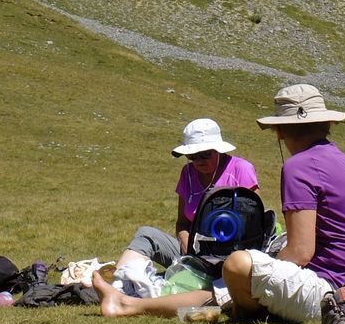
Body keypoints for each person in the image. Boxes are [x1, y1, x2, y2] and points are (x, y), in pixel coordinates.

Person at [93, 84, 345, 324]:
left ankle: (130, 303)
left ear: (280, 131)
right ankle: (134, 304)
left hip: (329, 292)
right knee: (234, 281)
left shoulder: (299, 167)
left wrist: (258, 270)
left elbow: (301, 252)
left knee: (237, 265)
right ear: (327, 125)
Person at [110, 118, 259, 296]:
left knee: (168, 282)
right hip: (193, 253)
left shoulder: (240, 169)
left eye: (205, 155)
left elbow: (256, 223)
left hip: (232, 258)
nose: (198, 161)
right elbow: (182, 223)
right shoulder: (187, 173)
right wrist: (189, 250)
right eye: (192, 156)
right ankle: (114, 285)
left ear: (218, 150)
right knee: (146, 234)